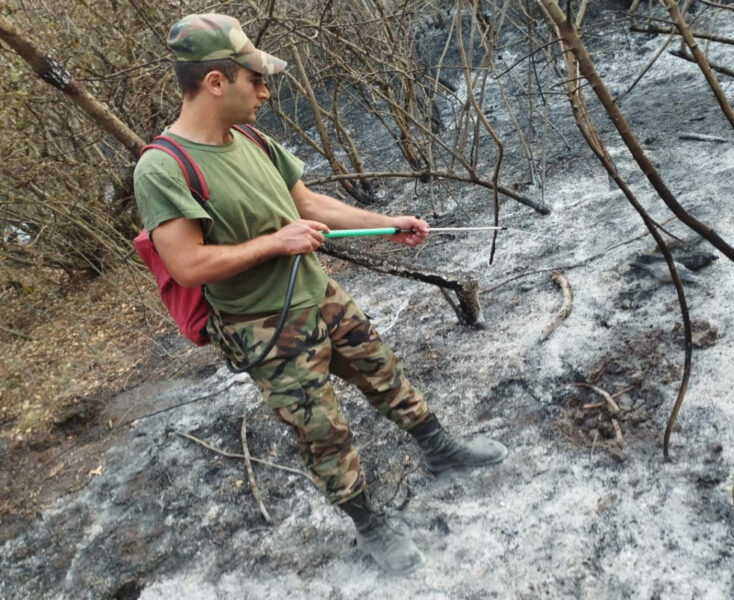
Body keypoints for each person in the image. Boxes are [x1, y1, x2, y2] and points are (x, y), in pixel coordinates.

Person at [132, 13, 507, 575]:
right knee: (322, 432)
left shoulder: (251, 138)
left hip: (320, 295)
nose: (264, 90)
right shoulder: (163, 168)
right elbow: (186, 265)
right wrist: (274, 243)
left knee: (385, 373)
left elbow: (308, 205)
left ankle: (439, 449)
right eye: (253, 78)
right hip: (264, 327)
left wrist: (387, 222)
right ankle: (369, 525)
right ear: (215, 82)